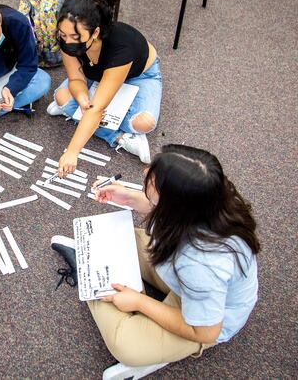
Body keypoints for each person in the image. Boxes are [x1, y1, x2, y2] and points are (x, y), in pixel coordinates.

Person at [51, 144, 260, 377]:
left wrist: (140, 303)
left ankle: (85, 272)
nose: (144, 172)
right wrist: (129, 198)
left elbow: (206, 332)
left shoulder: (201, 264)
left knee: (124, 343)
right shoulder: (208, 198)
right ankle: (92, 266)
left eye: (154, 177)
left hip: (205, 319)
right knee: (116, 237)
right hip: (183, 278)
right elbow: (163, 208)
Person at [49, 0, 162, 178]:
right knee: (63, 98)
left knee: (143, 123)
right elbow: (76, 79)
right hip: (96, 75)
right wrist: (82, 96)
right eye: (63, 35)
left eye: (76, 37)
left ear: (95, 33)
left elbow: (98, 109)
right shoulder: (69, 39)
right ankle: (118, 135)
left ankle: (117, 136)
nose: (68, 42)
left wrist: (72, 152)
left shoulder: (121, 48)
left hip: (139, 76)